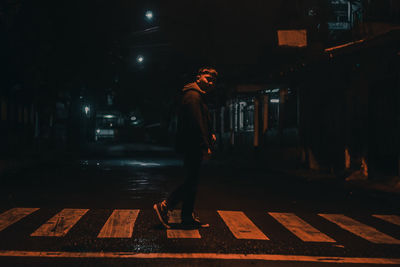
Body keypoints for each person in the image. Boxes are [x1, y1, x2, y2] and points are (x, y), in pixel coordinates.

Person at [154, 67, 218, 229]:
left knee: (193, 180)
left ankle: (187, 216)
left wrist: (209, 135)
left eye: (213, 80)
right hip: (193, 145)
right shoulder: (193, 96)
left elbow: (200, 122)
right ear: (198, 77)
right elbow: (196, 123)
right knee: (191, 181)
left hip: (193, 143)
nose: (211, 82)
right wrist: (205, 145)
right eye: (207, 78)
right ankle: (165, 205)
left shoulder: (196, 96)